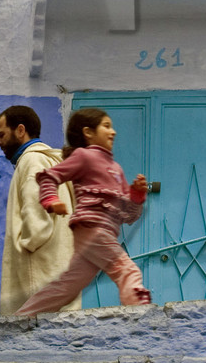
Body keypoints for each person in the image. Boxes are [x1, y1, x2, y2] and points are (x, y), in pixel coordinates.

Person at [15, 107, 153, 315]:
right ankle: (139, 316)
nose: (113, 131)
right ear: (88, 132)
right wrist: (51, 200)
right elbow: (50, 176)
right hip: (93, 228)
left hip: (98, 233)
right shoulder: (84, 156)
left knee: (67, 287)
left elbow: (129, 215)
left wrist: (137, 194)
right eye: (106, 126)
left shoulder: (116, 168)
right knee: (127, 270)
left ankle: (23, 316)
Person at [0, 105, 78, 315]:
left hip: (39, 278)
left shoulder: (32, 160)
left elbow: (37, 214)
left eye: (2, 135)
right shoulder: (50, 160)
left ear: (20, 130)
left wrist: (27, 243)